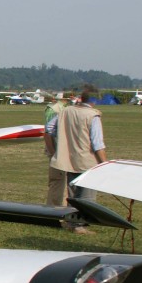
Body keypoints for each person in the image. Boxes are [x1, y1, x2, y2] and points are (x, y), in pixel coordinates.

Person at [45, 86, 108, 234]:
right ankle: (79, 225)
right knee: (86, 196)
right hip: (87, 161)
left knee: (72, 195)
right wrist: (104, 164)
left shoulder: (66, 111)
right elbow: (97, 144)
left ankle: (72, 223)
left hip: (68, 160)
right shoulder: (93, 116)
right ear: (94, 100)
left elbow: (48, 130)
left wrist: (55, 152)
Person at [43, 92, 69, 207]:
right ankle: (53, 209)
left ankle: (62, 207)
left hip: (62, 151)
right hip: (56, 151)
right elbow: (48, 132)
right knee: (57, 181)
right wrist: (53, 153)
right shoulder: (54, 110)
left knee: (64, 182)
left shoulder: (65, 109)